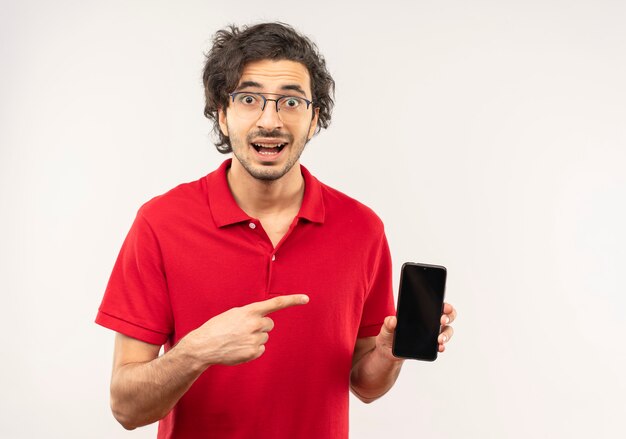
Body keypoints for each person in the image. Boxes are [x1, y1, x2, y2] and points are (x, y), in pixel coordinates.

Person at [96, 22, 456, 439]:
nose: (270, 120)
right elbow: (126, 408)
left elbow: (365, 385)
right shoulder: (160, 223)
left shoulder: (363, 229)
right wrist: (197, 351)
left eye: (290, 101)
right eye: (249, 99)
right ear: (222, 113)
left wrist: (390, 355)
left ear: (314, 116)